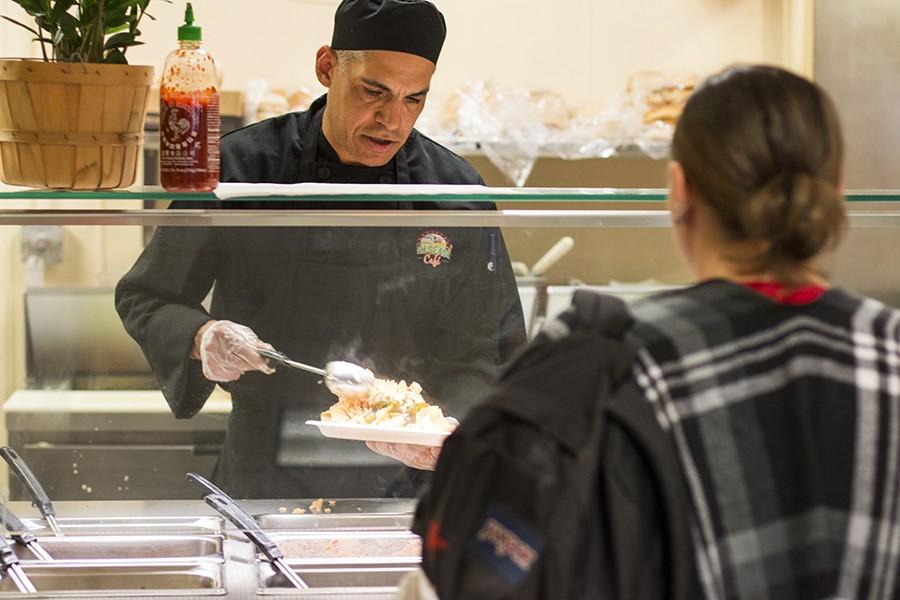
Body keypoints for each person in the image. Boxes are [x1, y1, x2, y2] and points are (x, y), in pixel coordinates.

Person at [411, 65, 900, 599]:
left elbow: (468, 573)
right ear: (836, 189)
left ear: (679, 190)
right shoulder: (890, 349)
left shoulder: (600, 367)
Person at [115, 0, 526, 499]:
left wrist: (450, 431)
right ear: (327, 67)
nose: (392, 121)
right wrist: (201, 336)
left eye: (414, 99)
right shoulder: (241, 170)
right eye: (373, 92)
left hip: (406, 480)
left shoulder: (454, 192)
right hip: (263, 474)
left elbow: (489, 349)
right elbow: (147, 295)